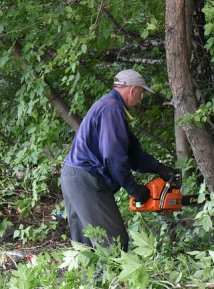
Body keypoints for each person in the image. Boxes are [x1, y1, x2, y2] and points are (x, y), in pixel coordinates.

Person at [60, 69, 177, 251]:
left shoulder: (109, 107)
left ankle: (90, 280)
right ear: (132, 90)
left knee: (86, 246)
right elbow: (113, 156)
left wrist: (158, 168)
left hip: (73, 177)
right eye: (141, 93)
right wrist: (133, 189)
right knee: (112, 241)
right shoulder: (112, 108)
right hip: (86, 179)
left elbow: (131, 153)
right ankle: (111, 279)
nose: (140, 99)